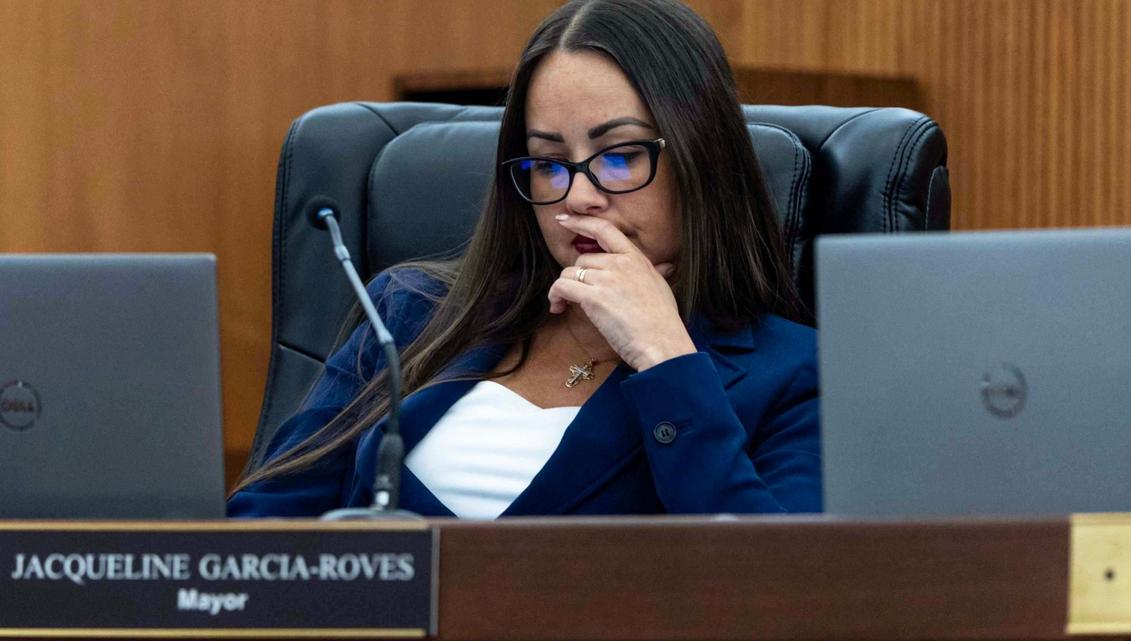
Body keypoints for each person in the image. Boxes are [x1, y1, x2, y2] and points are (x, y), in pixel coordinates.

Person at [228, 0, 821, 518]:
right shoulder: (409, 314)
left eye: (620, 157)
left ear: (703, 160)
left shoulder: (796, 374)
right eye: (549, 164)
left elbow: (778, 592)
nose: (580, 196)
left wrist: (664, 357)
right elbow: (264, 532)